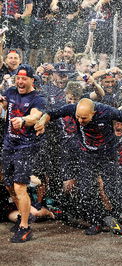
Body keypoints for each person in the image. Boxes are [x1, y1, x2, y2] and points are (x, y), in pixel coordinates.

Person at [34, 98, 122, 235]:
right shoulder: (73, 108)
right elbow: (51, 114)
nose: (80, 121)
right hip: (87, 155)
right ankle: (97, 221)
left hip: (108, 156)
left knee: (112, 187)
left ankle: (120, 218)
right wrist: (42, 122)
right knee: (86, 189)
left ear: (93, 113)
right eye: (78, 117)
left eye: (84, 118)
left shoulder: (107, 111)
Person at [0, 64, 47, 243]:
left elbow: (35, 116)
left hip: (26, 147)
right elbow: (4, 104)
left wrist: (22, 119)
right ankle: (22, 215)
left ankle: (25, 227)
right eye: (18, 78)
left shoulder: (38, 98)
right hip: (8, 144)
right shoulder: (11, 92)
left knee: (20, 186)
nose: (20, 81)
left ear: (31, 80)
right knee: (9, 185)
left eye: (24, 78)